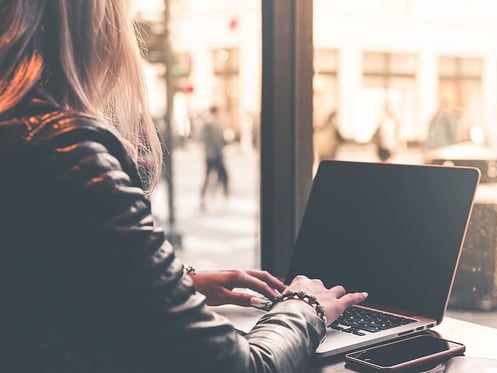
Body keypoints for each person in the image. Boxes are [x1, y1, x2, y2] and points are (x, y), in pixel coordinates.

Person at [0, 1, 368, 372]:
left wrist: (172, 283)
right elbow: (242, 368)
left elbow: (46, 274)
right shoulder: (66, 153)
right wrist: (305, 306)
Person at [199, 105, 229, 210]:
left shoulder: (207, 122)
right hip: (215, 156)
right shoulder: (214, 123)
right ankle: (223, 195)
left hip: (209, 155)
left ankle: (205, 197)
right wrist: (220, 155)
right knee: (224, 175)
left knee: (208, 176)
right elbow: (217, 141)